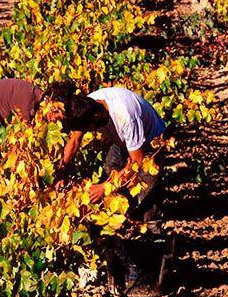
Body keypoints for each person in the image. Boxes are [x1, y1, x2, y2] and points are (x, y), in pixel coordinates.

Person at [59, 86, 166, 217]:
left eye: (90, 128)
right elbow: (75, 140)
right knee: (111, 168)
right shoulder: (87, 106)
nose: (90, 131)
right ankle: (126, 214)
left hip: (149, 144)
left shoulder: (126, 116)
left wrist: (104, 188)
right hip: (123, 142)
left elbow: (137, 161)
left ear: (96, 116)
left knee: (146, 192)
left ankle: (153, 228)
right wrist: (62, 170)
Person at [0, 78, 76, 134]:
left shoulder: (36, 96)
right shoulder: (28, 105)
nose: (56, 122)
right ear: (51, 105)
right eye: (57, 117)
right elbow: (24, 137)